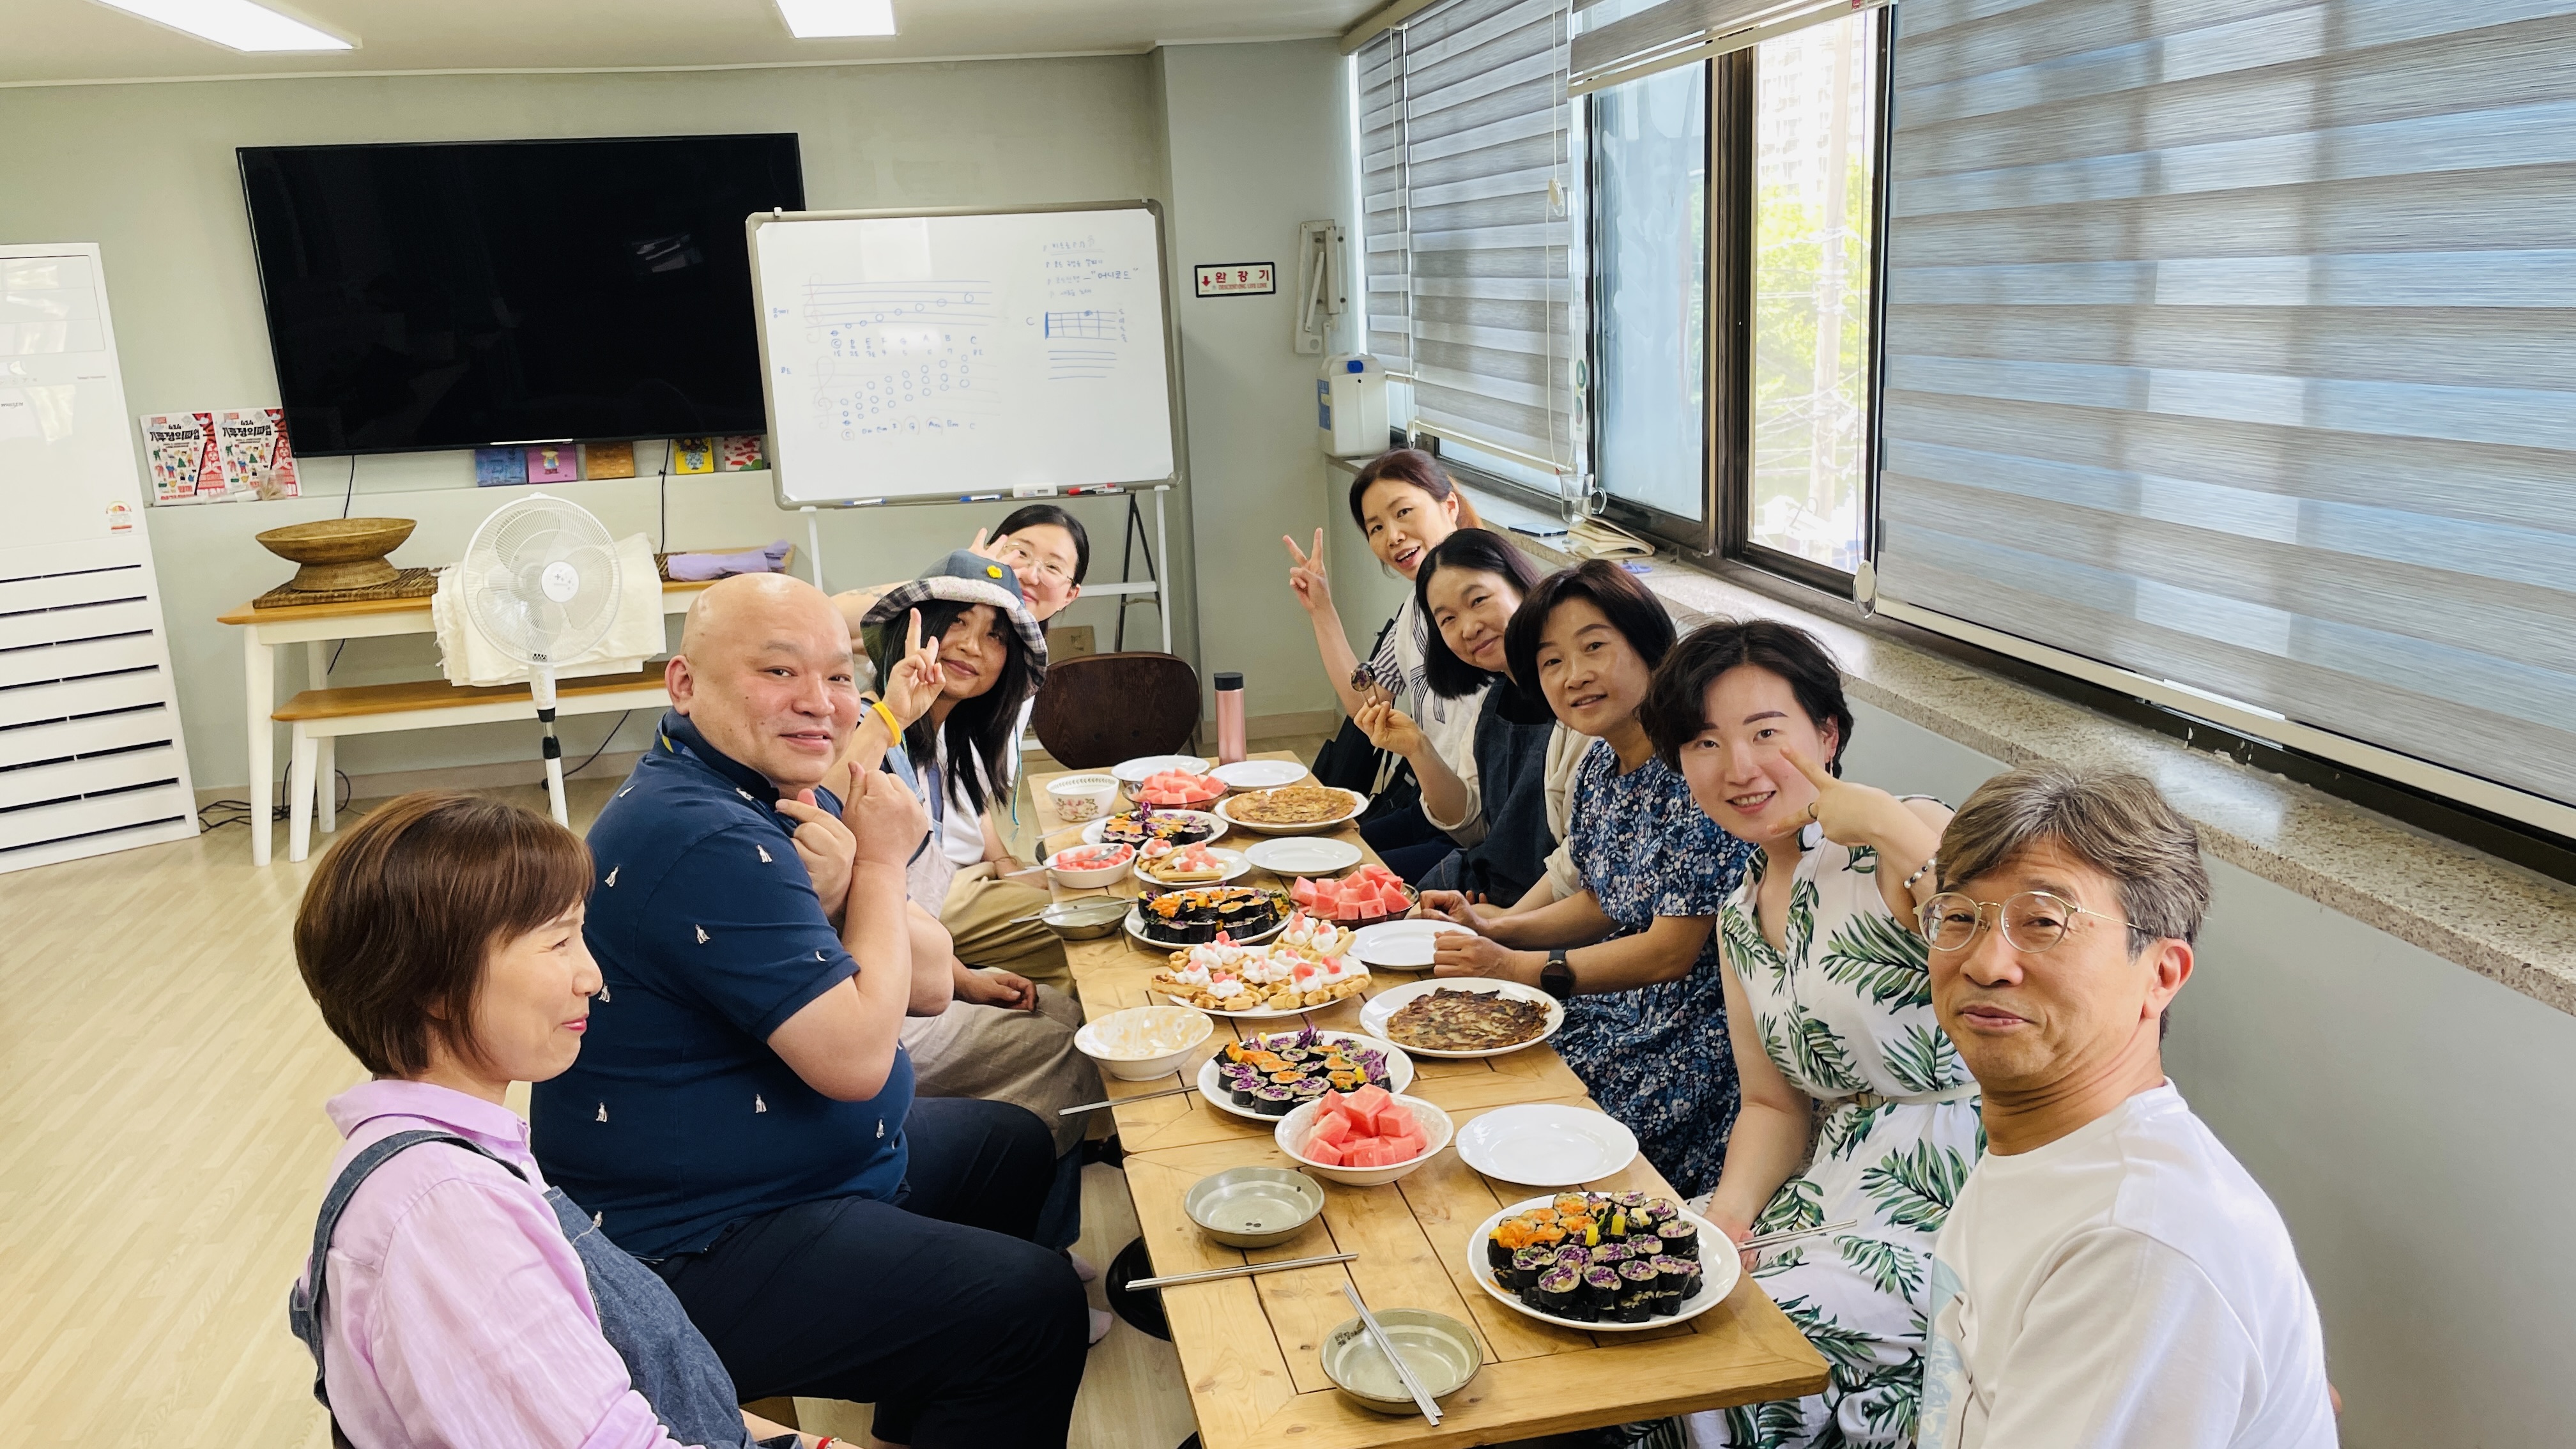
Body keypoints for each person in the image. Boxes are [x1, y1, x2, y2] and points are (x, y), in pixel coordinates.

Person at [531, 572, 1089, 1449]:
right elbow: (861, 1059)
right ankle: (973, 1354)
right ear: (684, 683)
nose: (819, 703)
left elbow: (929, 983)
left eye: (836, 676)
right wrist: (877, 868)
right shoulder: (711, 834)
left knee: (1008, 1147)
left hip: (777, 1166)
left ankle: (928, 1395)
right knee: (1033, 1305)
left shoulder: (745, 788)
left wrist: (859, 880)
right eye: (779, 672)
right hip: (694, 1241)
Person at [287, 790, 807, 1449]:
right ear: (434, 987)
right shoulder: (446, 1213)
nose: (591, 976)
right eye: (559, 942)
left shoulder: (453, 1157)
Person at [1914, 766, 2337, 1448]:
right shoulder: (2049, 1151)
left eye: (2043, 923)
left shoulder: (2138, 1240)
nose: (1987, 964)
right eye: (1961, 917)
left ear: (2162, 975)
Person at [1637, 621, 1975, 1448]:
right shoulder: (1738, 917)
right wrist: (1728, 1216)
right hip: (1827, 1183)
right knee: (1648, 1281)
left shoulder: (1905, 835)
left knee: (1732, 1343)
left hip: (1951, 1197)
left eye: (1765, 733)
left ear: (1827, 735)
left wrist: (1887, 824)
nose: (1739, 767)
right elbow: (1772, 1104)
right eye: (1705, 742)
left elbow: (2001, 954)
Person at [1422, 562, 1755, 1195]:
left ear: (1651, 646)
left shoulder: (1698, 771)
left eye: (1594, 647)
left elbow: (1671, 952)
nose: (1573, 675)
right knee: (1460, 1061)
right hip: (1618, 1005)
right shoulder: (1601, 765)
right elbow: (1604, 900)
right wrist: (1496, 928)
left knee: (1516, 1110)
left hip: (1689, 1035)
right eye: (1551, 662)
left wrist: (1520, 966)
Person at [857, 553, 1106, 1286]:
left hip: (915, 973)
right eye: (956, 623)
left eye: (995, 634)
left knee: (1063, 1014)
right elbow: (852, 870)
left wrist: (965, 976)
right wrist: (885, 716)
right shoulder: (874, 733)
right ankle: (1029, 1256)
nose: (972, 645)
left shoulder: (946, 739)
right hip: (872, 1010)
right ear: (914, 631)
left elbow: (910, 905)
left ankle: (1027, 1226)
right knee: (1065, 1050)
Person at [832, 507, 1091, 987]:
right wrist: (958, 574)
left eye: (995, 635)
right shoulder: (879, 720)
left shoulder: (965, 714)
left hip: (957, 880)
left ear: (1071, 592)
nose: (973, 646)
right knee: (1088, 931)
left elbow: (970, 796)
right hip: (925, 900)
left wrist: (1003, 862)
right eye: (1020, 552)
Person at [1347, 528, 1588, 903]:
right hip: (1491, 888)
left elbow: (1579, 866)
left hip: (1542, 910)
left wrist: (1504, 926)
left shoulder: (1579, 706)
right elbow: (1473, 829)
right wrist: (1418, 749)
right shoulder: (1491, 700)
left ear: (1520, 585)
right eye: (1447, 620)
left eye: (1478, 600)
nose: (1469, 628)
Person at [1283, 448, 1487, 882]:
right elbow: (1368, 702)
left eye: (1403, 512)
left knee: (1334, 884)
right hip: (1432, 809)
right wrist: (1322, 610)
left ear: (1450, 506)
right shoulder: (1416, 605)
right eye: (1376, 527)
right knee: (1307, 859)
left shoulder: (1484, 613)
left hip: (1476, 832)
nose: (1392, 536)